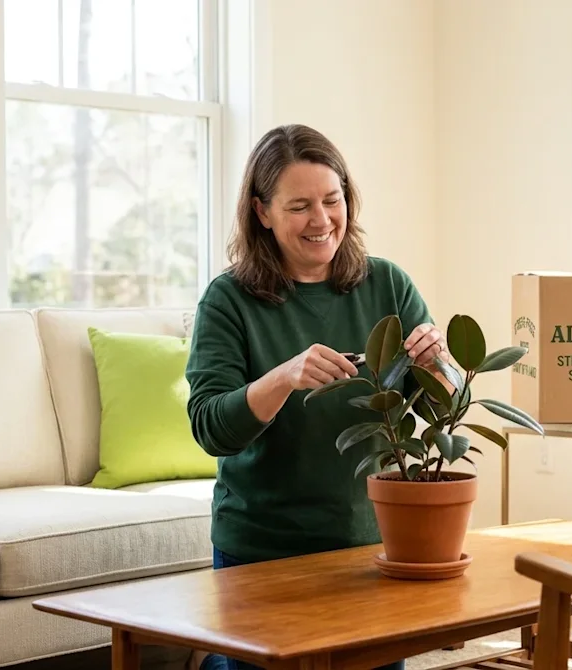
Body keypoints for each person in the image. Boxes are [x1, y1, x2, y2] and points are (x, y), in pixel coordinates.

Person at [183, 124, 446, 670]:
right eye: (299, 206)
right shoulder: (228, 300)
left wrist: (436, 366)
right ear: (262, 212)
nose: (322, 220)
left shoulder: (387, 284)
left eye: (332, 200)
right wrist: (282, 377)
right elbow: (210, 428)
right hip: (262, 549)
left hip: (371, 543)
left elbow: (438, 410)